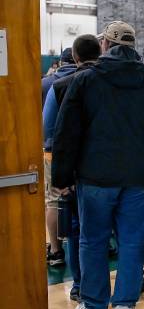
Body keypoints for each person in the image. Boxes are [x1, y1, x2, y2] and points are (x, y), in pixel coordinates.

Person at [51, 21, 144, 309]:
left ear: (105, 44)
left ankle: (93, 306)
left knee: (93, 240)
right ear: (134, 46)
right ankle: (124, 306)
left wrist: (61, 178)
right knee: (133, 241)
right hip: (140, 178)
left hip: (95, 177)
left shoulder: (85, 81)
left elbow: (67, 132)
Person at [43, 35, 101, 299]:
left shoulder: (57, 85)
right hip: (109, 165)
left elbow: (51, 131)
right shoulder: (111, 82)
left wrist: (61, 175)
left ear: (75, 57)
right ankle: (130, 285)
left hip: (74, 167)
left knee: (76, 225)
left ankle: (79, 286)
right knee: (116, 228)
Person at [41, 47, 78, 266]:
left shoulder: (47, 84)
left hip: (52, 151)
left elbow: (45, 124)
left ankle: (56, 251)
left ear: (60, 63)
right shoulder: (92, 80)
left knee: (54, 200)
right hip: (86, 153)